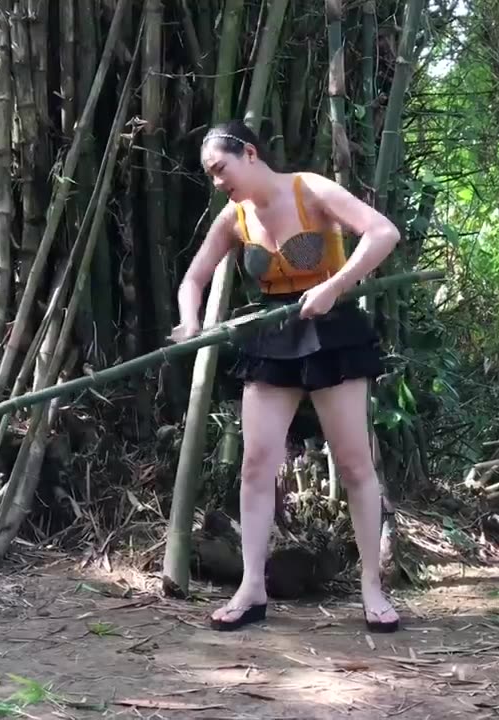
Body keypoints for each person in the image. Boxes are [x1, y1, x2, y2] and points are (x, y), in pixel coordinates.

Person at [171, 119, 402, 633]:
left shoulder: (310, 189)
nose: (217, 182)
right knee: (256, 464)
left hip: (332, 329)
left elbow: (383, 232)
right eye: (210, 174)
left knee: (354, 463)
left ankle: (371, 585)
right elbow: (195, 276)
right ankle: (252, 587)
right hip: (273, 337)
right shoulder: (234, 217)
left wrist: (336, 286)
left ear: (249, 154)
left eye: (220, 169)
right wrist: (190, 320)